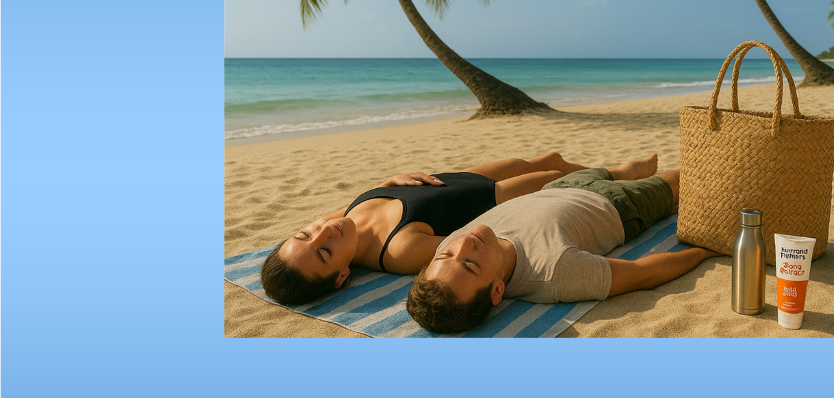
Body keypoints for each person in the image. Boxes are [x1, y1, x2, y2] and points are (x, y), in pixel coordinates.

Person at [406, 155, 721, 333]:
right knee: (695, 173)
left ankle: (628, 170)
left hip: (556, 187)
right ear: (497, 290)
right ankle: (646, 184)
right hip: (619, 204)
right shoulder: (553, 273)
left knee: (619, 171)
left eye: (445, 255)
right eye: (470, 264)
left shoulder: (453, 243)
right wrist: (703, 251)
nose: (463, 244)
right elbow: (642, 273)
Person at [259, 152, 590, 305]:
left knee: (546, 159)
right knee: (558, 177)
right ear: (341, 275)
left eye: (304, 234)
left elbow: (373, 199)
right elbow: (470, 243)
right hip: (484, 197)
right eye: (324, 252)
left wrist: (389, 183)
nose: (324, 232)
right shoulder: (398, 251)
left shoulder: (338, 222)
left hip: (454, 180)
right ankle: (615, 174)